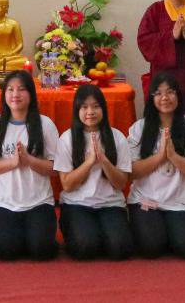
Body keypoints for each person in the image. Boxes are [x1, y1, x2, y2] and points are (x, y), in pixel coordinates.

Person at [127, 71, 185, 259]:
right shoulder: (139, 128)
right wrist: (160, 157)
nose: (165, 98)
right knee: (151, 247)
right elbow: (130, 173)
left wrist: (174, 157)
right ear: (151, 98)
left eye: (170, 92)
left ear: (178, 96)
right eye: (158, 93)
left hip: (179, 203)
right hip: (145, 201)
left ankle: (169, 231)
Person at [0, 71, 60, 261]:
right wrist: (13, 163)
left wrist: (29, 160)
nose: (15, 94)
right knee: (6, 252)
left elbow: (56, 169)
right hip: (4, 203)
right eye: (10, 89)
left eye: (22, 89)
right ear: (4, 94)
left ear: (31, 94)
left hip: (39, 202)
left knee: (41, 251)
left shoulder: (45, 124)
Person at [55, 84, 134, 261]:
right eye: (84, 107)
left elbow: (121, 183)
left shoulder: (117, 137)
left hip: (110, 204)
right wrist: (90, 161)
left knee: (120, 249)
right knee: (85, 247)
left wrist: (104, 160)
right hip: (77, 204)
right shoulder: (67, 138)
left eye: (96, 106)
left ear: (103, 109)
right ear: (77, 110)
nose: (90, 112)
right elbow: (67, 185)